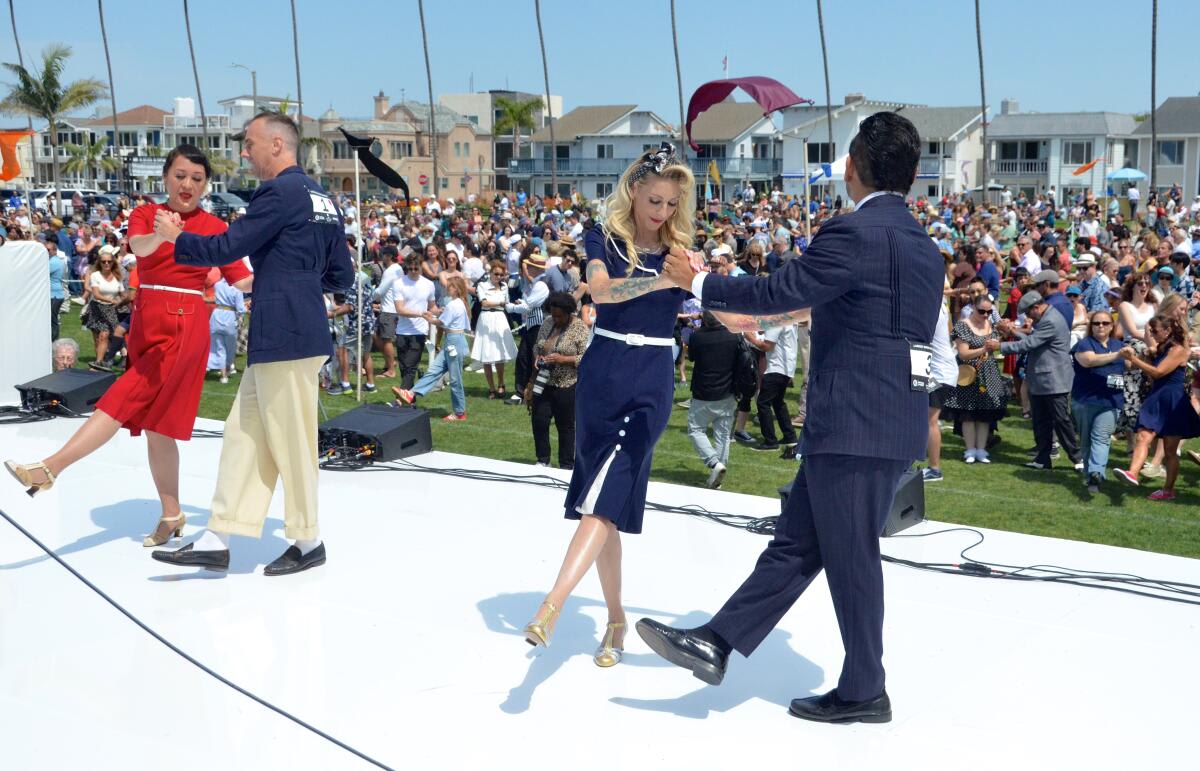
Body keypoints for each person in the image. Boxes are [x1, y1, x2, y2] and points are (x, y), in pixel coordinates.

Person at [641, 113, 942, 724]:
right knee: (799, 543)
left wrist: (698, 280)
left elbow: (779, 291)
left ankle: (866, 689)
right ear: (912, 175)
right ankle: (718, 641)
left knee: (851, 556)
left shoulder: (853, 233)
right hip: (890, 415)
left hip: (853, 419)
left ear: (852, 166)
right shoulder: (925, 248)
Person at [4, 145, 253, 552]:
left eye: (197, 178)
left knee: (120, 398)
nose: (187, 184)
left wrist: (288, 272)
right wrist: (163, 232)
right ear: (166, 176)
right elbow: (140, 247)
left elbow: (241, 279)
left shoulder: (213, 226)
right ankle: (172, 513)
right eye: (180, 175)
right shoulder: (146, 214)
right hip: (146, 320)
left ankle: (50, 469)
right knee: (156, 426)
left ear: (206, 184)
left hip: (182, 323)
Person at [148, 112, 353, 576]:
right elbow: (341, 274)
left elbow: (227, 247)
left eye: (250, 143)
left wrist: (177, 237)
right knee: (243, 435)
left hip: (285, 333)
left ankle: (308, 540)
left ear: (277, 145)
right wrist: (296, 281)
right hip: (294, 329)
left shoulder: (279, 192)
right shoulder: (321, 196)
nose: (245, 151)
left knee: (292, 441)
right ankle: (219, 536)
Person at [520, 142, 695, 670]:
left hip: (651, 382)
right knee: (605, 507)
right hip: (602, 375)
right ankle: (616, 619)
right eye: (655, 200)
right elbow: (599, 291)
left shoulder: (682, 251)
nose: (663, 211)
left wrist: (792, 310)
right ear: (634, 191)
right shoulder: (603, 239)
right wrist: (663, 279)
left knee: (600, 500)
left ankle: (552, 605)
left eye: (672, 203)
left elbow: (723, 309)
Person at [988, 292, 1081, 471]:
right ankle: (1043, 459)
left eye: (1028, 313)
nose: (1028, 318)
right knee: (1041, 421)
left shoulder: (1050, 320)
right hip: (1042, 379)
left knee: (1061, 421)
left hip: (1053, 381)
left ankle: (1077, 458)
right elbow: (1033, 341)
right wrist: (1013, 332)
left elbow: (1029, 344)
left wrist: (1000, 346)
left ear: (1036, 307)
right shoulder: (1047, 317)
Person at [1114, 315, 1200, 499]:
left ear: (1167, 331)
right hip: (1156, 397)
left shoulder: (1178, 350)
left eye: (1155, 331)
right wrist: (1146, 357)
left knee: (1170, 451)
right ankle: (1132, 473)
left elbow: (1159, 373)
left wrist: (1134, 358)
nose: (1152, 334)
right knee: (1143, 436)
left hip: (1173, 400)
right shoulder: (1162, 349)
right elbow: (1149, 373)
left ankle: (1168, 490)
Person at [394, 275, 472, 421]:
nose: (447, 288)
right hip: (451, 341)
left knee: (455, 380)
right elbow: (444, 320)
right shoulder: (457, 303)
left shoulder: (454, 304)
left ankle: (460, 412)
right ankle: (411, 394)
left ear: (456, 289)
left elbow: (440, 323)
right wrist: (432, 317)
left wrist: (427, 318)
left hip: (454, 342)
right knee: (434, 371)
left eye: (450, 286)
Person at [526, 292, 589, 468]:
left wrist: (563, 359)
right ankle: (543, 459)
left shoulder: (580, 328)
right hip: (543, 381)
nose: (555, 319)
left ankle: (566, 464)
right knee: (539, 420)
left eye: (559, 316)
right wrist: (538, 358)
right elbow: (537, 346)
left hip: (567, 384)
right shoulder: (547, 323)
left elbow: (587, 358)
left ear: (569, 313)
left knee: (565, 425)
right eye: (553, 315)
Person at [945, 295, 1008, 463]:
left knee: (984, 412)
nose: (986, 315)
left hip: (988, 373)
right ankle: (970, 450)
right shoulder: (963, 325)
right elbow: (963, 353)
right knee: (968, 413)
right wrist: (984, 349)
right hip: (968, 374)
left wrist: (1004, 334)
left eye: (989, 312)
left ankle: (981, 450)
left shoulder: (991, 324)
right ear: (973, 307)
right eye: (982, 311)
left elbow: (997, 343)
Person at [1071, 310, 1127, 493]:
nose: (1101, 326)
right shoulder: (1084, 344)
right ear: (1091, 326)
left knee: (1101, 438)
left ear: (1112, 326)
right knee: (1086, 441)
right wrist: (1118, 355)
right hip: (1086, 400)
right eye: (1096, 323)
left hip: (1111, 401)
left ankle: (1096, 472)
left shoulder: (1118, 344)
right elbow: (1089, 361)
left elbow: (1130, 364)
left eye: (1105, 323)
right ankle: (1092, 478)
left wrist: (1137, 354)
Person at [685, 311, 740, 488]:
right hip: (727, 392)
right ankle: (718, 475)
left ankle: (714, 463)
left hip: (704, 393)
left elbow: (691, 357)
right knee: (722, 436)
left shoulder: (697, 337)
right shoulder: (733, 336)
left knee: (695, 430)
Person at [506, 251, 550, 404]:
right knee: (524, 358)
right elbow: (529, 304)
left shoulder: (540, 285)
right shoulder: (537, 284)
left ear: (536, 269)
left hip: (538, 327)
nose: (527, 269)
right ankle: (523, 392)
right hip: (533, 326)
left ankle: (528, 393)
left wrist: (510, 307)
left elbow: (528, 307)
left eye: (530, 266)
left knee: (530, 359)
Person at [471, 260, 518, 398]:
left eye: (501, 275)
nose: (499, 277)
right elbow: (484, 303)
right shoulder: (482, 285)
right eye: (496, 274)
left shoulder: (504, 286)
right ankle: (491, 388)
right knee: (486, 355)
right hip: (486, 319)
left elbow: (507, 304)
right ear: (490, 273)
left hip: (500, 318)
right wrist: (501, 302)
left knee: (499, 354)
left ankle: (501, 383)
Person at [207, 277, 244, 384]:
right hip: (230, 318)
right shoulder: (237, 289)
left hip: (216, 315)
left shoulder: (217, 284)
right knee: (230, 349)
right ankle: (225, 373)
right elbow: (240, 308)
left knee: (219, 347)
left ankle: (223, 375)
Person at [47, 239, 66, 341]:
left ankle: (54, 340)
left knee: (52, 319)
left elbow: (41, 273)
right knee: (51, 318)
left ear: (54, 251)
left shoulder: (54, 262)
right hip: (53, 294)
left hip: (55, 294)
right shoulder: (53, 261)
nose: (46, 252)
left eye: (48, 250)